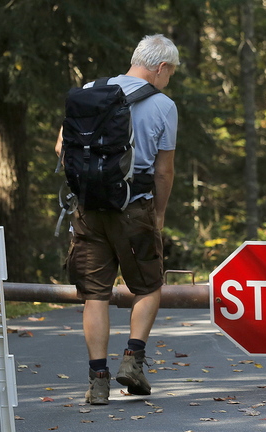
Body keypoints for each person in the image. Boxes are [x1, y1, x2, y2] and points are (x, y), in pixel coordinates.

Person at [55, 34, 179, 404]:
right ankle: (133, 360)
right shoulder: (163, 104)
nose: (169, 79)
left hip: (89, 208)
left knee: (95, 295)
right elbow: (164, 171)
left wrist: (85, 185)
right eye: (170, 72)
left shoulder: (91, 89)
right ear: (160, 68)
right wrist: (157, 214)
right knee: (149, 285)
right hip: (133, 206)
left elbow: (63, 147)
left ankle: (97, 381)